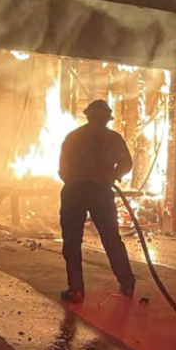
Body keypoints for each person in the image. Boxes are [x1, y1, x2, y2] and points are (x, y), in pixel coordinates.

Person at [57, 99, 136, 303]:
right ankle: (127, 283)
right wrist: (113, 175)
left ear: (88, 116)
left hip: (74, 192)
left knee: (72, 242)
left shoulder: (73, 137)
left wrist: (74, 180)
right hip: (100, 192)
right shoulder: (114, 139)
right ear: (106, 119)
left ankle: (76, 290)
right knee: (111, 239)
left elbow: (62, 168)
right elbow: (127, 163)